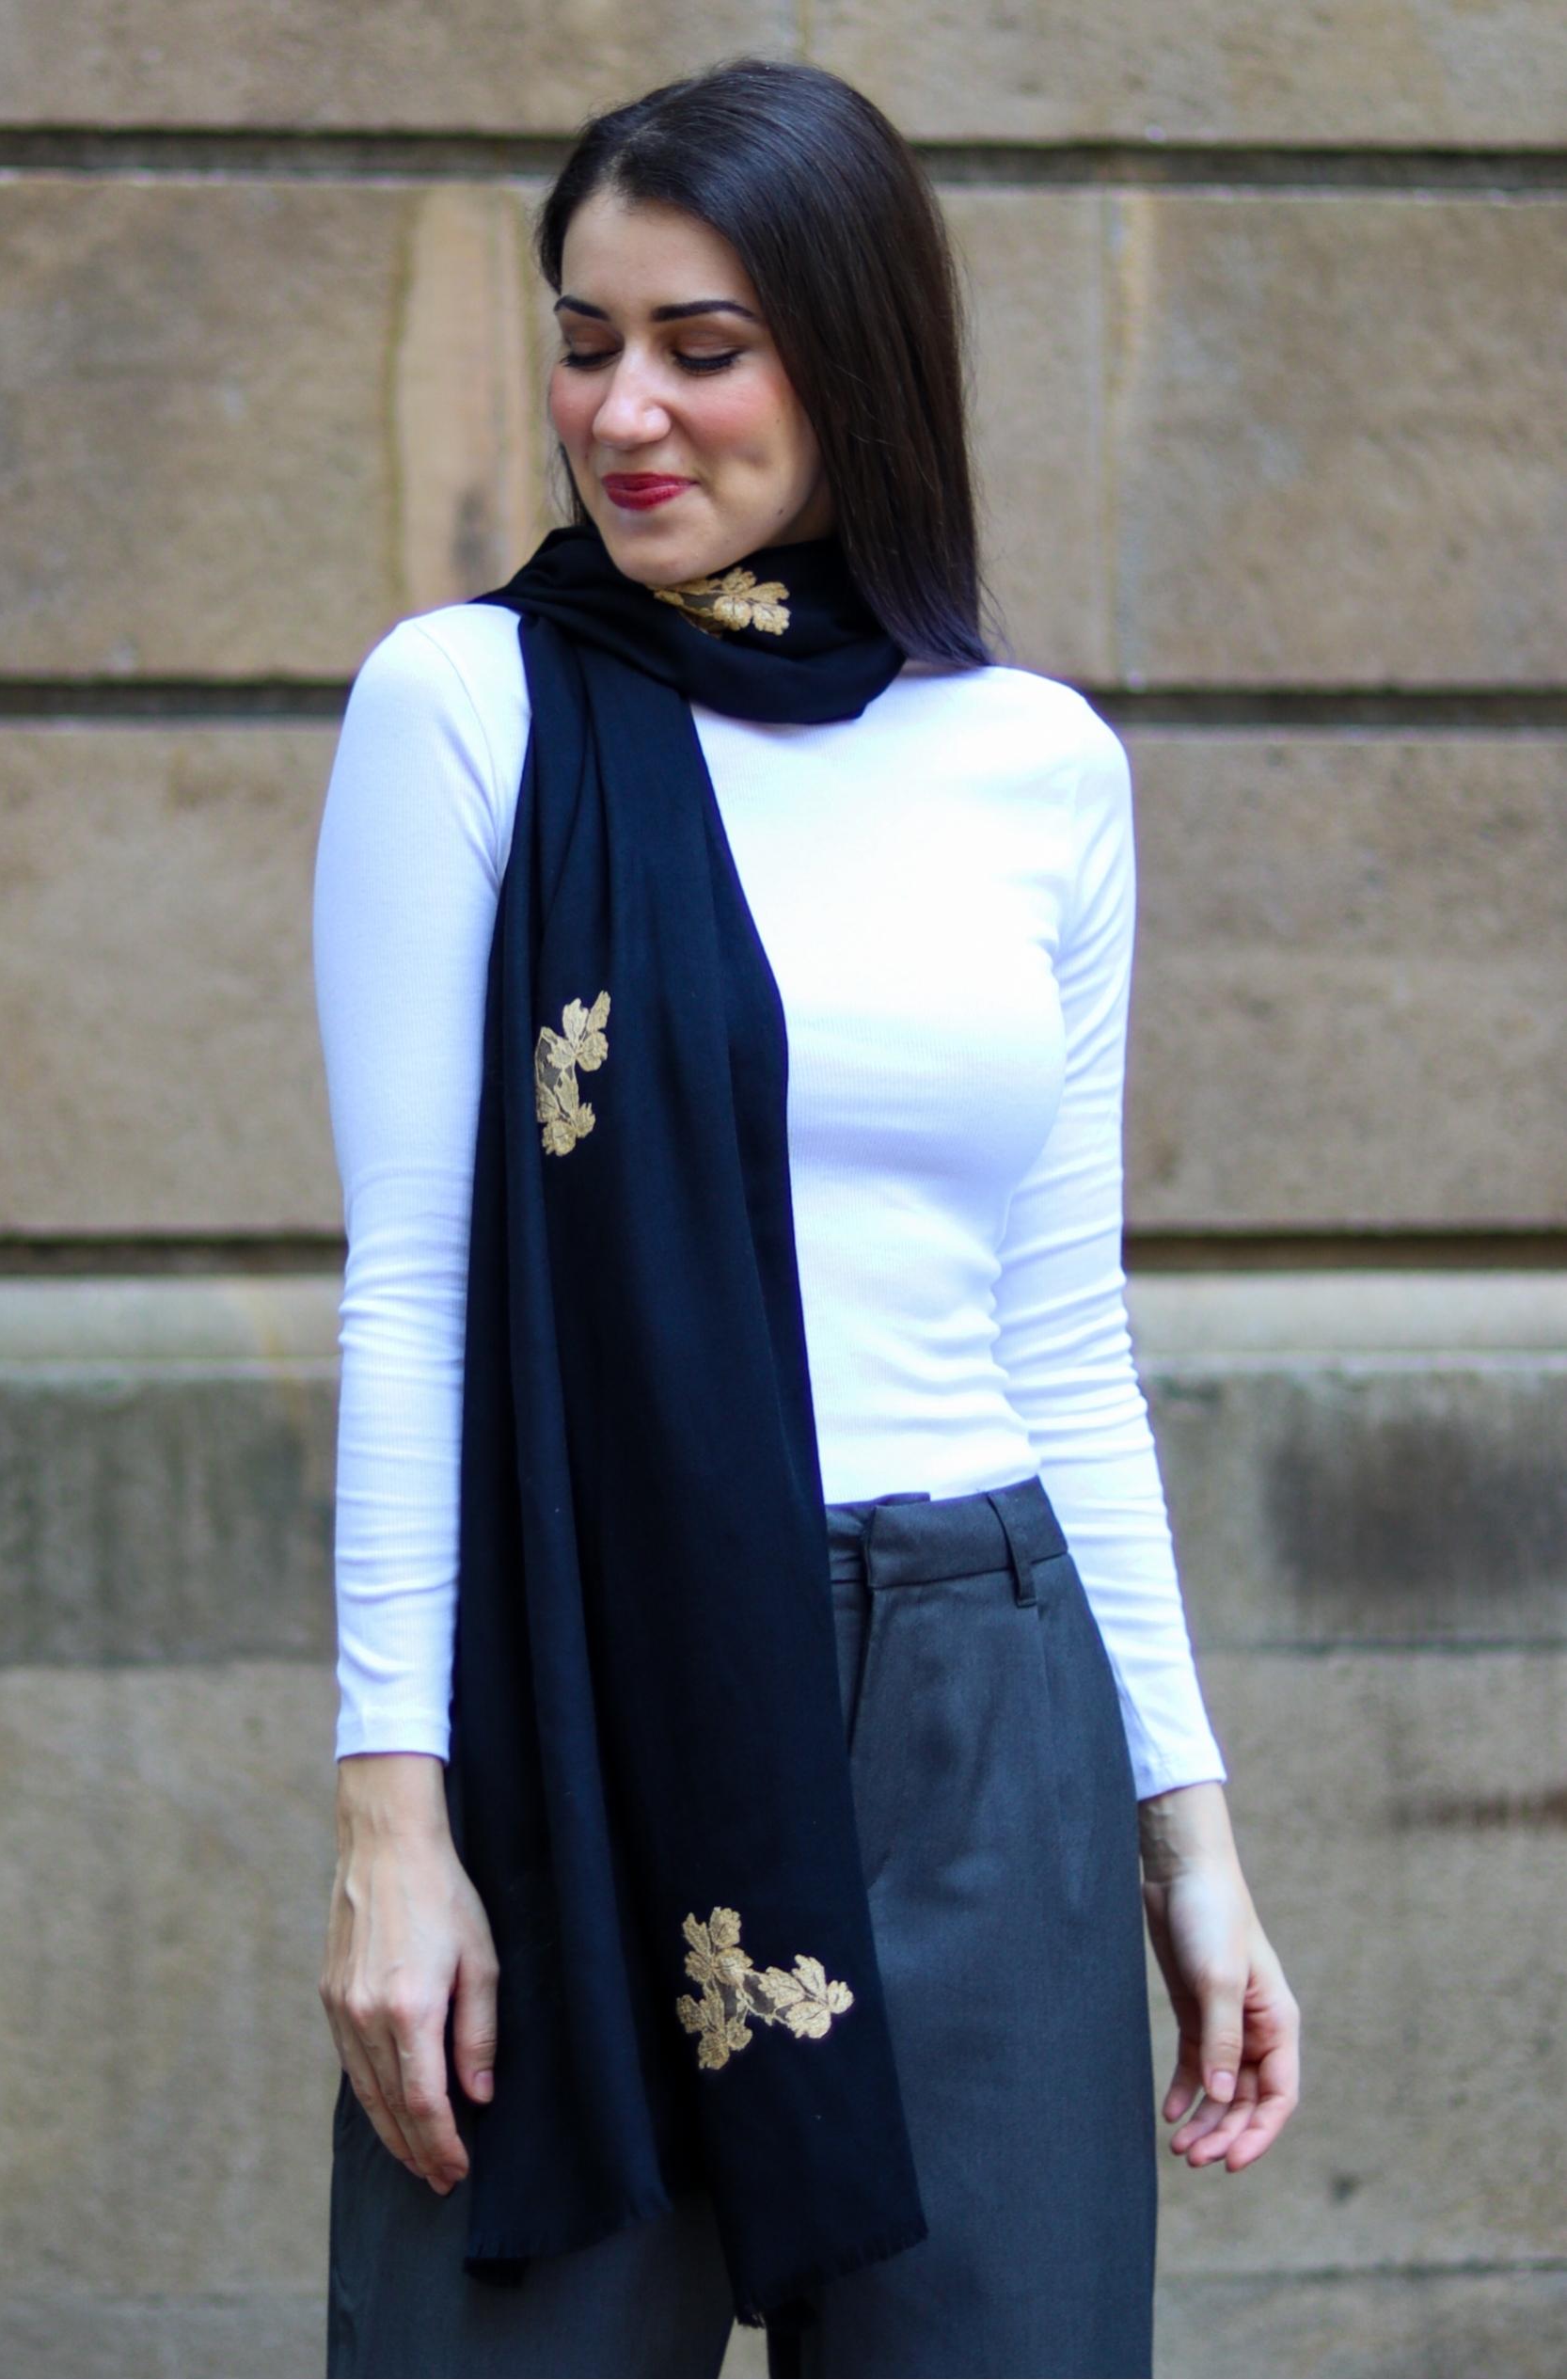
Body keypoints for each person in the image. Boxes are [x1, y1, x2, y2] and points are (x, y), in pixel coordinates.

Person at [312, 52, 1301, 2380]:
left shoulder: (1031, 764)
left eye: (702, 343)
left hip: (977, 1704)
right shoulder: (465, 710)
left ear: (851, 358)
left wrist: (1187, 1830)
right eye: (585, 340)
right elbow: (412, 1294)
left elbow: (1065, 1332)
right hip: (580, 1701)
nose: (624, 409)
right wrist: (391, 1817)